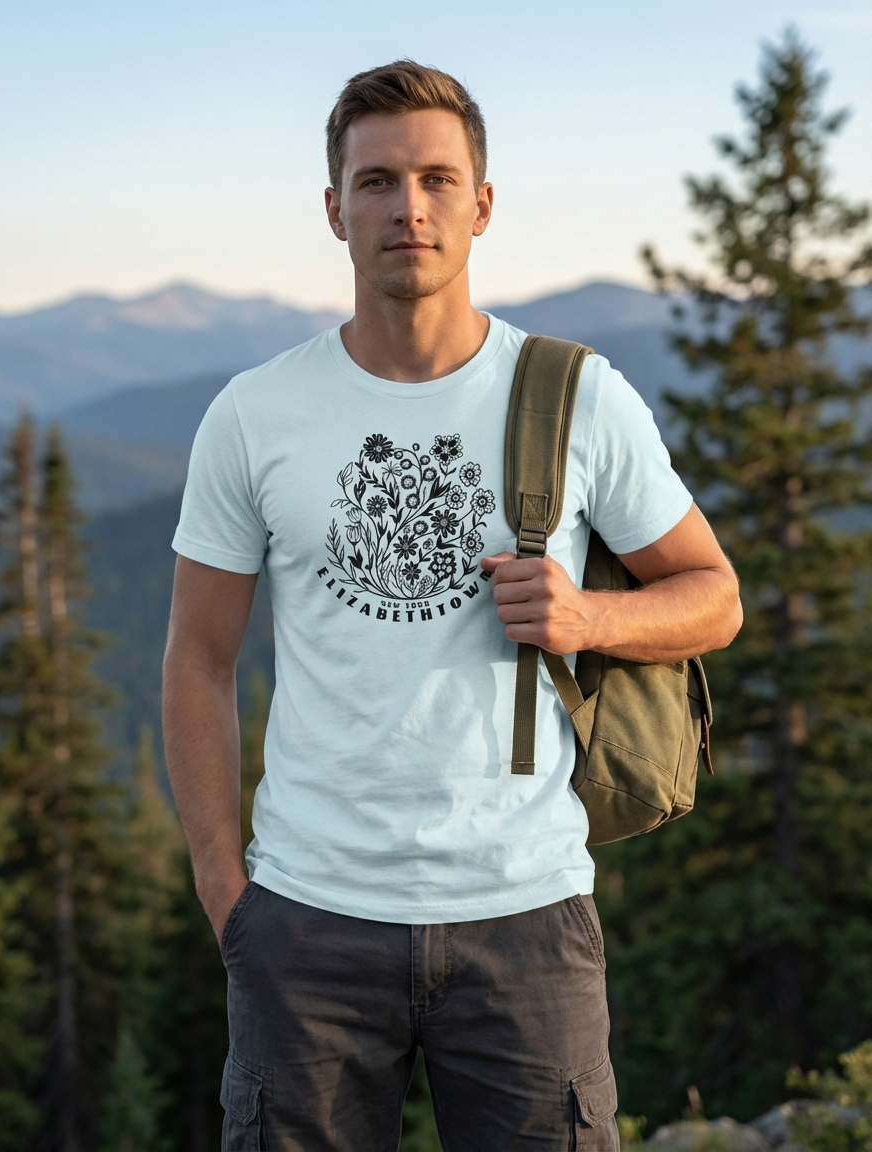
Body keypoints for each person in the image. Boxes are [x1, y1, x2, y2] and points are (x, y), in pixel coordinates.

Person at [163, 59, 742, 1152]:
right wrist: (224, 892)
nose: (408, 207)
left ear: (482, 203)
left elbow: (712, 597)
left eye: (436, 178)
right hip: (306, 921)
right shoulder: (254, 415)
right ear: (334, 210)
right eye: (376, 182)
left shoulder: (576, 394)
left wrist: (590, 620)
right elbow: (199, 659)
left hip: (527, 916)